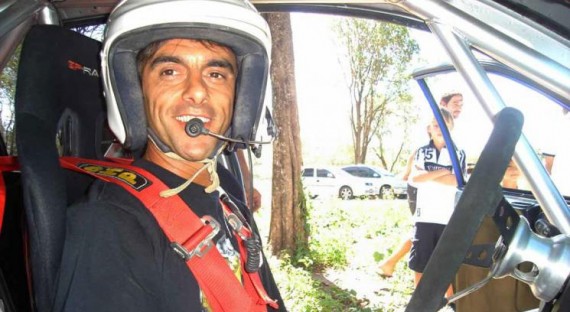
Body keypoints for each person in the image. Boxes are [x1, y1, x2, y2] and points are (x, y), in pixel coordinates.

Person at [52, 0, 284, 311]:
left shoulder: (227, 195)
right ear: (135, 94)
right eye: (170, 71)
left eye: (216, 74)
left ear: (241, 98)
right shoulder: (109, 227)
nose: (197, 92)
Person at [378, 92, 464, 278]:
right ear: (443, 104)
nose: (459, 107)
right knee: (422, 230)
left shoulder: (454, 143)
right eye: (455, 103)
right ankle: (392, 264)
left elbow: (457, 179)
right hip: (422, 194)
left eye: (461, 104)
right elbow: (414, 171)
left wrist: (433, 175)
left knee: (429, 233)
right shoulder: (433, 128)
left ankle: (390, 263)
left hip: (442, 199)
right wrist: (439, 172)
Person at [408, 108, 466, 299]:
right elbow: (415, 178)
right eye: (435, 124)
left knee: (445, 266)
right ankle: (420, 302)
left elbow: (456, 182)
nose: (439, 128)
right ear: (429, 129)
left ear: (451, 127)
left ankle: (450, 302)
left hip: (447, 219)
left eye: (444, 125)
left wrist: (429, 175)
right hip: (425, 216)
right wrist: (444, 172)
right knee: (420, 263)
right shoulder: (422, 152)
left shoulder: (459, 154)